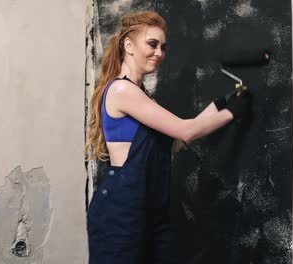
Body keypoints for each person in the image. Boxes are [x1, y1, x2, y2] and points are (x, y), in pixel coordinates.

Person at [85, 10, 251, 264]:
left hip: (151, 207)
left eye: (163, 47)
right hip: (122, 210)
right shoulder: (122, 90)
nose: (159, 53)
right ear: (128, 45)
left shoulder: (141, 96)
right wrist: (231, 113)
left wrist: (220, 105)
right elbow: (186, 130)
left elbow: (176, 142)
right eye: (152, 44)